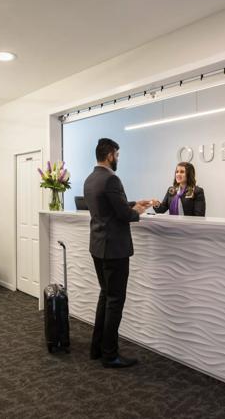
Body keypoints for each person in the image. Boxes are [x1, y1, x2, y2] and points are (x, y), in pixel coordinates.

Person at [83, 138, 151, 368]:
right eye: (117, 155)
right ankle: (110, 355)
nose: (118, 159)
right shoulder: (111, 178)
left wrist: (133, 203)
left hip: (98, 247)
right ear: (110, 154)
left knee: (106, 296)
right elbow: (123, 215)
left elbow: (110, 205)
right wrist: (137, 211)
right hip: (114, 249)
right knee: (115, 300)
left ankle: (97, 348)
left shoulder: (91, 179)